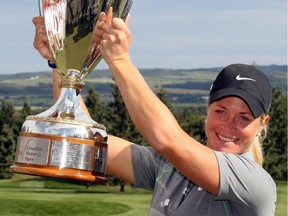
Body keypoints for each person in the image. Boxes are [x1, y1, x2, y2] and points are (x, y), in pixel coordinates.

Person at [32, 8, 276, 215]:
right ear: (208, 110)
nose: (228, 125)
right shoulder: (167, 166)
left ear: (262, 124)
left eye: (244, 117)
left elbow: (166, 139)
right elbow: (82, 139)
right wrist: (61, 61)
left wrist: (119, 61)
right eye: (221, 111)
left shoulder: (255, 184)